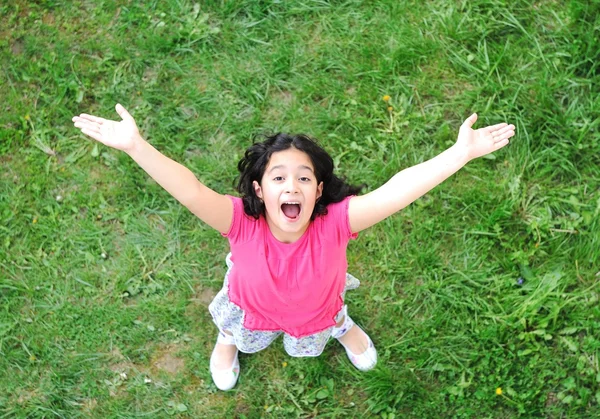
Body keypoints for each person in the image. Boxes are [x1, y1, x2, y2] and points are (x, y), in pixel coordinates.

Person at [72, 104, 515, 391]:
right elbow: (188, 189)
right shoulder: (239, 223)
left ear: (319, 191)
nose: (292, 185)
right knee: (235, 329)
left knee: (332, 318)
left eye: (304, 178)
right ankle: (228, 342)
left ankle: (343, 329)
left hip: (317, 310)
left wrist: (458, 155)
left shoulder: (337, 222)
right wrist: (136, 145)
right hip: (252, 309)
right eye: (278, 177)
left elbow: (396, 191)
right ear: (260, 191)